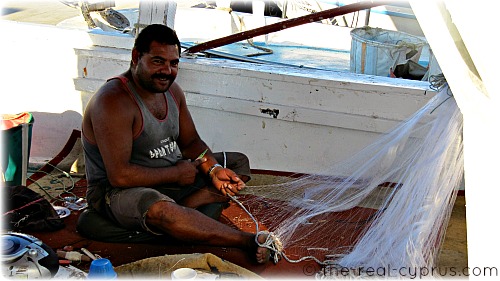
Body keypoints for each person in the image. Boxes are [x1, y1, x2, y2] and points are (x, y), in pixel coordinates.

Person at [79, 24, 270, 264]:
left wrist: (212, 170)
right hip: (118, 191)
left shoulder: (172, 91)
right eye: (158, 61)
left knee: (237, 163)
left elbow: (190, 143)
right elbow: (120, 176)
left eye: (174, 63)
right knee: (161, 210)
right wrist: (176, 174)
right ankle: (245, 241)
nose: (167, 71)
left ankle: (184, 213)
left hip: (172, 178)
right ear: (136, 57)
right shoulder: (113, 101)